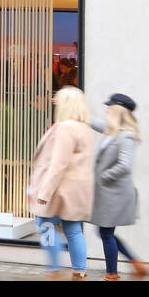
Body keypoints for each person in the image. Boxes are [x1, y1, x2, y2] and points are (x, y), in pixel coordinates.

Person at [29, 85, 95, 279]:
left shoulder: (65, 128)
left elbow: (59, 164)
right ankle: (79, 272)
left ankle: (54, 270)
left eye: (59, 100)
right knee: (73, 230)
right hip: (76, 189)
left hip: (60, 188)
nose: (55, 103)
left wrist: (44, 193)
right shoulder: (84, 128)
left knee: (44, 224)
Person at [91, 93, 145, 280]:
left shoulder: (127, 137)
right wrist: (74, 105)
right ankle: (134, 262)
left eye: (110, 107)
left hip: (115, 193)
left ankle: (112, 274)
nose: (106, 109)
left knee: (106, 232)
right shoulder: (112, 130)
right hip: (108, 192)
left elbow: (124, 166)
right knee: (105, 232)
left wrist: (104, 176)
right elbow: (92, 121)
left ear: (117, 110)